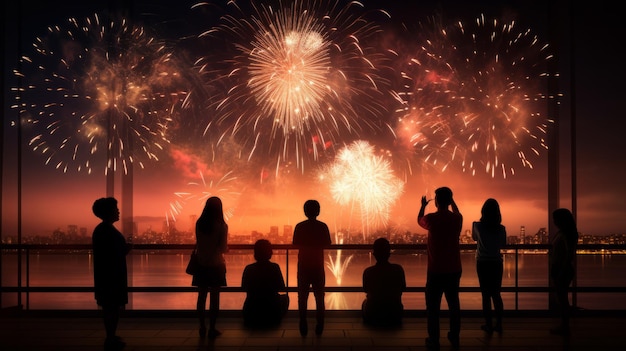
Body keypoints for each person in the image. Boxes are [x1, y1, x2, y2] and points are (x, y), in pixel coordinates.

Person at [417, 187, 462, 350]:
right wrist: (452, 202)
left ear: (436, 202)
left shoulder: (431, 219)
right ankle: (454, 335)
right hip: (454, 269)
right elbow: (458, 213)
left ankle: (434, 338)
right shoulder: (457, 219)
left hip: (435, 269)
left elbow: (419, 219)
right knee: (454, 304)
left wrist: (422, 205)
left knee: (433, 306)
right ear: (450, 201)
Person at [91, 197, 130, 350]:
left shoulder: (101, 229)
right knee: (111, 307)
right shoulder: (106, 230)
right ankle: (110, 337)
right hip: (111, 275)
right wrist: (126, 248)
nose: (118, 211)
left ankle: (111, 336)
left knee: (110, 307)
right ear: (108, 212)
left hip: (106, 274)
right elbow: (113, 252)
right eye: (115, 209)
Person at [292, 199, 332, 336]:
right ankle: (320, 324)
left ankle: (302, 322)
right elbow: (328, 243)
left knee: (302, 296)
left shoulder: (299, 226)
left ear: (305, 211)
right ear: (318, 211)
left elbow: (295, 243)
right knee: (319, 296)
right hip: (318, 265)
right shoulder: (323, 226)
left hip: (303, 265)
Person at [193, 196, 228, 339]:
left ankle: (202, 327)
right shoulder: (221, 225)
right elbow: (223, 248)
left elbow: (199, 243)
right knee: (214, 299)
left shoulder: (199, 223)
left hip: (200, 264)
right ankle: (212, 328)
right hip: (216, 265)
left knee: (201, 298)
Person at [472, 198, 506, 335]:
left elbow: (474, 238)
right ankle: (499, 324)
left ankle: (488, 324)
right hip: (497, 263)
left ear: (483, 211)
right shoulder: (501, 228)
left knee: (485, 295)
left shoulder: (477, 226)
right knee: (496, 294)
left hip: (483, 262)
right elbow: (503, 244)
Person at [241, 239, 289, 328]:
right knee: (285, 298)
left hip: (251, 312)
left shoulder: (249, 268)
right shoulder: (274, 267)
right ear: (269, 252)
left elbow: (244, 287)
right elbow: (281, 287)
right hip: (272, 312)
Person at [362, 237, 407, 328]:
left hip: (373, 314)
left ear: (374, 254)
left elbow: (366, 289)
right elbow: (403, 287)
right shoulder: (398, 269)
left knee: (365, 302)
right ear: (389, 253)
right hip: (395, 314)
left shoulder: (368, 271)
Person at [549, 208, 579, 335]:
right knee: (561, 298)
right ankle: (564, 325)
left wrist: (561, 270)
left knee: (562, 299)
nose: (554, 222)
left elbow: (568, 254)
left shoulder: (566, 234)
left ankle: (565, 326)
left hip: (562, 269)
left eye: (555, 219)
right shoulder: (565, 233)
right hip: (561, 268)